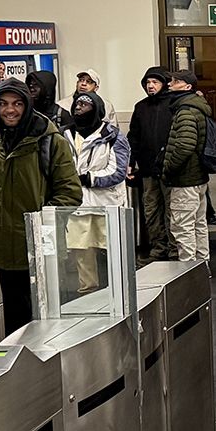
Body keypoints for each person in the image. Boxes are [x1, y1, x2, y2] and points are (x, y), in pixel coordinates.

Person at [0, 78, 81, 331]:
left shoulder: (51, 142)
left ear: (27, 105)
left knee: (44, 323)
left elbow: (70, 193)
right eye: (4, 104)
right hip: (0, 250)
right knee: (11, 322)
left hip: (40, 251)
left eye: (17, 103)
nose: (10, 110)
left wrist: (41, 225)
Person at [65, 92, 130, 293]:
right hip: (78, 203)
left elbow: (118, 170)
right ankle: (89, 291)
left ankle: (120, 289)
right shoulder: (64, 134)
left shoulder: (113, 135)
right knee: (81, 251)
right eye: (77, 104)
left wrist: (88, 178)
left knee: (113, 248)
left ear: (97, 109)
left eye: (85, 104)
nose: (79, 107)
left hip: (107, 202)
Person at [162, 70, 214, 262]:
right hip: (199, 177)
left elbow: (184, 145)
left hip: (185, 180)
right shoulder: (197, 107)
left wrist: (168, 167)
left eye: (175, 82)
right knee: (199, 226)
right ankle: (202, 268)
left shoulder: (185, 111)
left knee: (183, 228)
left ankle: (190, 275)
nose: (169, 84)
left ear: (187, 87)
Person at [128, 66, 178, 261]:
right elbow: (134, 137)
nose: (150, 86)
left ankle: (174, 249)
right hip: (148, 169)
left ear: (164, 83)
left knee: (172, 210)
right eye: (147, 83)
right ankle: (158, 248)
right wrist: (130, 162)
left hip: (169, 169)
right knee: (151, 210)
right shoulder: (141, 107)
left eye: (155, 82)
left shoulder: (174, 104)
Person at [26, 69, 73, 134]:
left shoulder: (62, 115)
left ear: (47, 88)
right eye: (30, 86)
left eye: (36, 85)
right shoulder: (26, 113)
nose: (32, 89)